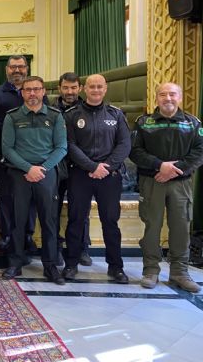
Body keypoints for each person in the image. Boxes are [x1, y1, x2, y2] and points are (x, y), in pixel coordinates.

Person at [130, 82, 203, 293]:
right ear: (157, 98)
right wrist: (159, 165)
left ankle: (179, 272)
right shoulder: (144, 122)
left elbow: (199, 152)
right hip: (152, 181)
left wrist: (173, 170)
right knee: (152, 227)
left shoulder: (193, 123)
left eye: (172, 94)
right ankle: (150, 270)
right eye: (163, 94)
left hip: (181, 183)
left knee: (181, 227)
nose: (168, 98)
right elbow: (135, 151)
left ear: (180, 97)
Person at [62, 74, 131, 284]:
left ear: (105, 88)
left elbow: (124, 144)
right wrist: (92, 167)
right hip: (80, 175)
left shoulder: (116, 114)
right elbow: (69, 145)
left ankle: (116, 267)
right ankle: (71, 264)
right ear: (85, 89)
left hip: (109, 176)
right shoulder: (72, 114)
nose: (96, 90)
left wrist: (105, 167)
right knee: (76, 220)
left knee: (110, 221)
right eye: (92, 86)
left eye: (99, 86)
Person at [1, 76, 67, 285]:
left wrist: (42, 169)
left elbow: (61, 148)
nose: (32, 93)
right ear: (22, 93)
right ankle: (15, 263)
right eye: (28, 90)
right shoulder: (12, 116)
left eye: (36, 89)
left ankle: (50, 266)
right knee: (17, 221)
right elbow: (7, 149)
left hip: (46, 174)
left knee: (49, 221)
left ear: (43, 92)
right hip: (19, 174)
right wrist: (28, 168)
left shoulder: (55, 116)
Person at [0, 55, 44, 252]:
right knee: (5, 196)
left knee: (30, 197)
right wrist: (13, 132)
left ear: (27, 68)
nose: (17, 70)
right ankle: (7, 234)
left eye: (21, 66)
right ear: (6, 69)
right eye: (13, 67)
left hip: (31, 154)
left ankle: (27, 235)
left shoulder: (35, 94)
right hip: (4, 154)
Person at [54, 72, 92, 267]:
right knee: (53, 210)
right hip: (56, 166)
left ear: (80, 88)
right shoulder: (51, 109)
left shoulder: (88, 109)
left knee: (80, 211)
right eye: (66, 87)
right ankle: (56, 247)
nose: (70, 91)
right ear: (59, 88)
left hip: (80, 167)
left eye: (73, 87)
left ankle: (81, 248)